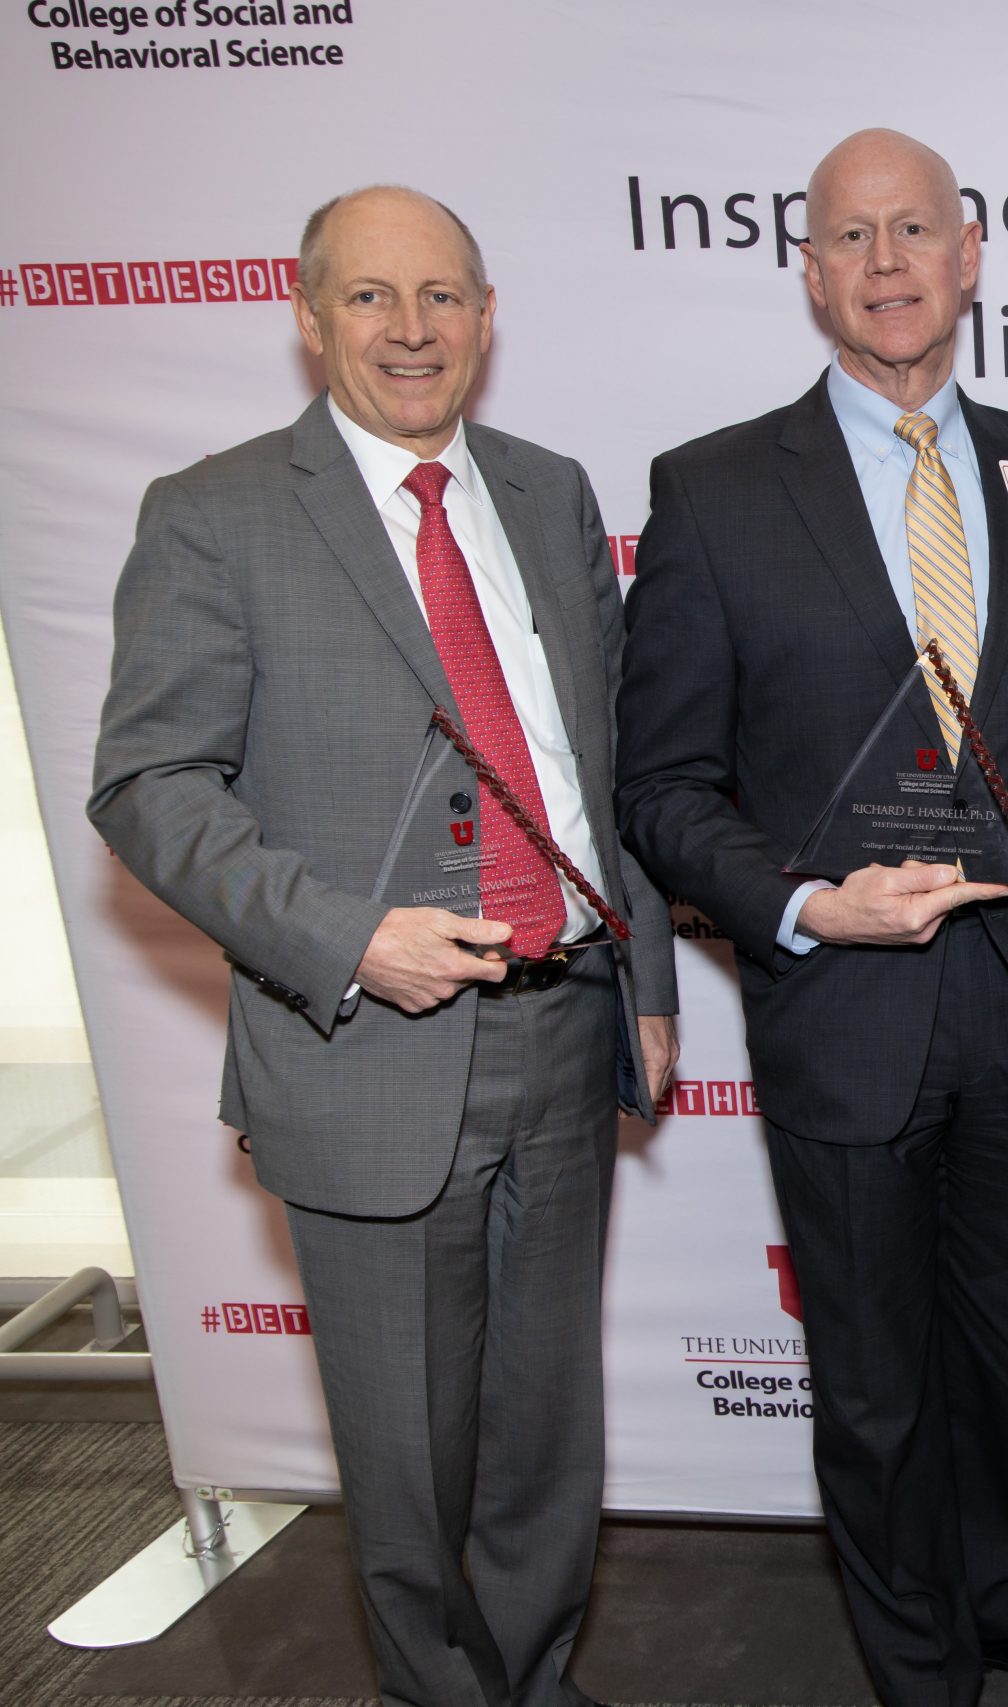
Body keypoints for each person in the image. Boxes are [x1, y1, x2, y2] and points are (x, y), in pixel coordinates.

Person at [87, 185, 679, 1707]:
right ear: (307, 317)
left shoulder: (549, 495)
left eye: (443, 298)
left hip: (562, 1028)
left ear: (487, 318)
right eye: (370, 298)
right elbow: (147, 785)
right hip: (369, 1052)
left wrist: (648, 975)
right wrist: (350, 940)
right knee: (408, 1461)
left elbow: (597, 769)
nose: (411, 331)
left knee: (548, 1438)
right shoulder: (215, 513)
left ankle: (536, 1685)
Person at [612, 129, 1008, 1707]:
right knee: (870, 1385)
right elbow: (661, 785)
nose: (889, 262)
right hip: (844, 1013)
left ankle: (1005, 1599)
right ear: (810, 272)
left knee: (1005, 1359)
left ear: (972, 252)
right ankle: (921, 1672)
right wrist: (798, 902)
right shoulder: (713, 493)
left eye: (916, 229)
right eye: (852, 237)